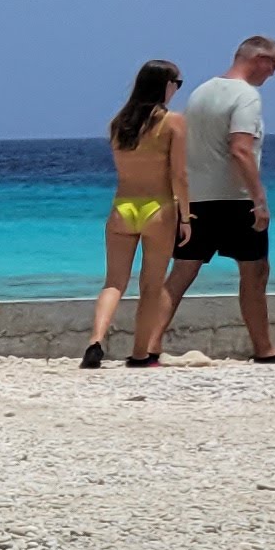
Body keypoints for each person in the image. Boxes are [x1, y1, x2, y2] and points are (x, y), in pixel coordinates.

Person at [136, 35, 275, 364]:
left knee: (180, 274)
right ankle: (264, 349)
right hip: (236, 199)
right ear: (259, 59)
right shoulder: (247, 96)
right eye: (274, 64)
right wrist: (259, 199)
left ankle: (148, 349)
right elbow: (240, 149)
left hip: (198, 198)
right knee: (255, 272)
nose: (274, 73)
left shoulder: (201, 92)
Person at [86, 59, 185, 367]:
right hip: (158, 208)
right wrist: (189, 216)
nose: (177, 90)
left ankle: (96, 340)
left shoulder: (119, 124)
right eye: (177, 84)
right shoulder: (173, 122)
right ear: (165, 85)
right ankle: (140, 354)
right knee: (151, 285)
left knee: (113, 282)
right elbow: (180, 176)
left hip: (122, 207)